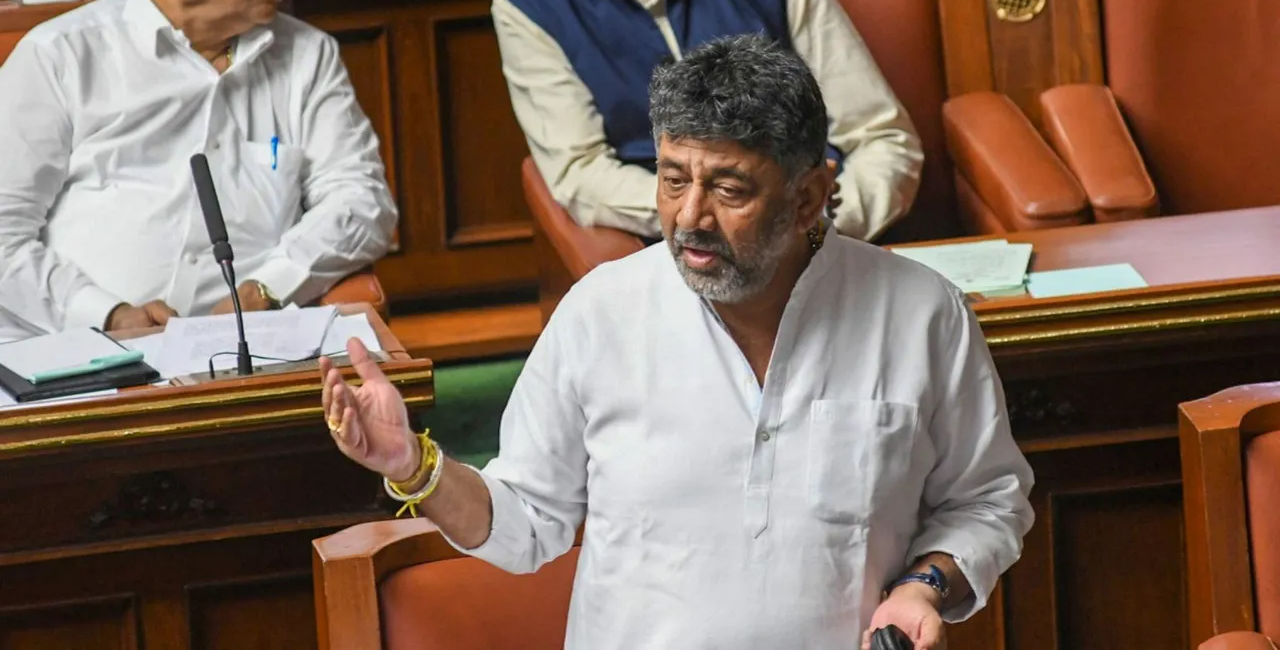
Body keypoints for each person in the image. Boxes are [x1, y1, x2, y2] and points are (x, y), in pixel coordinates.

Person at [321, 35, 1032, 649]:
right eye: (671, 179)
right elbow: (523, 526)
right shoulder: (602, 313)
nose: (689, 216)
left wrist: (922, 587)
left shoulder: (921, 313)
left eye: (729, 189)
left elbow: (987, 499)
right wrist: (414, 465)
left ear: (810, 197)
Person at [0, 0, 397, 342]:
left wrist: (267, 290)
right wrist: (109, 315)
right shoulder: (61, 56)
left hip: (250, 354)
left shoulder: (307, 58)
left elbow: (362, 200)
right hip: (72, 357)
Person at [493, 0, 924, 242]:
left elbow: (882, 136)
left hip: (824, 227)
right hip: (678, 255)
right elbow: (581, 173)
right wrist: (721, 220)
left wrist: (825, 227)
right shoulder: (527, 7)